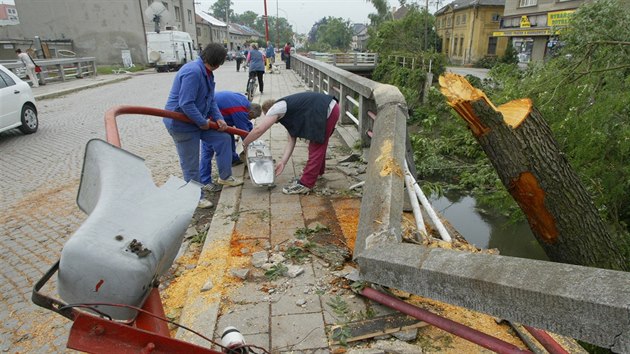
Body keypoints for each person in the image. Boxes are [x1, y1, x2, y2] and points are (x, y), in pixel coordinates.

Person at [163, 43, 243, 209]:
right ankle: (195, 198)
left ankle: (225, 177)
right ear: (219, 62)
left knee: (223, 138)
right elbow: (186, 103)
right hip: (181, 124)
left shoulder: (207, 72)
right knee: (191, 163)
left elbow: (211, 99)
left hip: (197, 120)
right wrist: (203, 122)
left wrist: (219, 118)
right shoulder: (193, 72)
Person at [242, 92, 340, 195]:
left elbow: (258, 130)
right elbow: (291, 141)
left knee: (316, 146)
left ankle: (306, 183)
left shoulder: (276, 109)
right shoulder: (288, 111)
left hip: (326, 110)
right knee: (319, 144)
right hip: (330, 108)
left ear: (269, 111)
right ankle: (318, 172)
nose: (275, 122)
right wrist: (283, 162)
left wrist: (245, 143)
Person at [200, 91, 262, 188]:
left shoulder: (244, 102)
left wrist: (254, 135)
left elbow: (247, 125)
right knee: (207, 151)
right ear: (250, 112)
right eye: (252, 117)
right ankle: (205, 181)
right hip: (209, 119)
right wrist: (253, 150)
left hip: (221, 116)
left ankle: (233, 159)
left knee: (229, 136)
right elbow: (243, 133)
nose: (250, 120)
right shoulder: (240, 111)